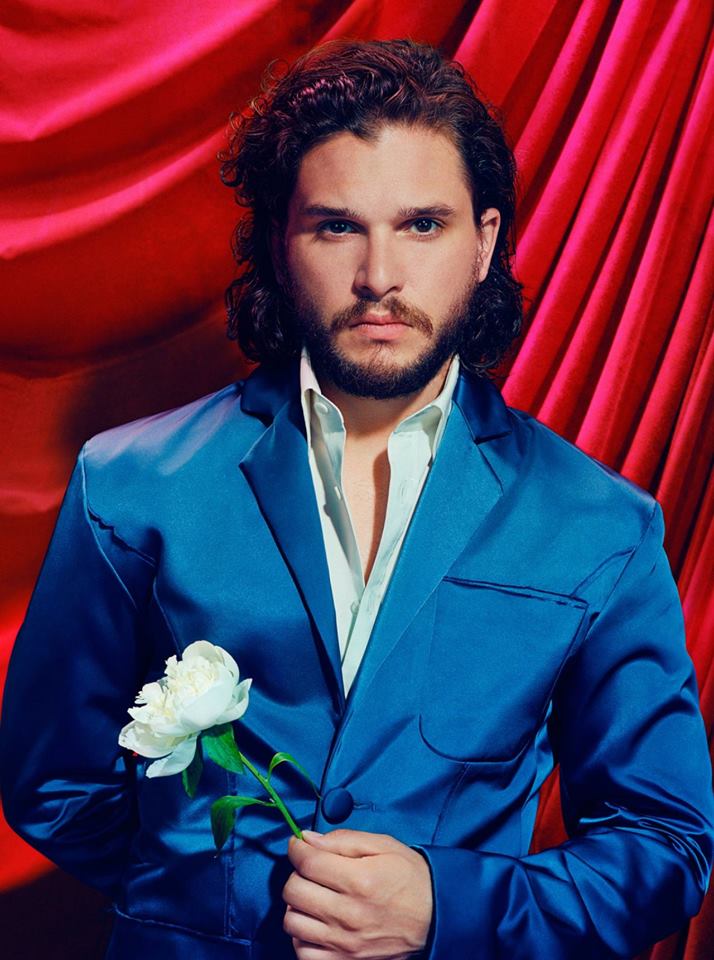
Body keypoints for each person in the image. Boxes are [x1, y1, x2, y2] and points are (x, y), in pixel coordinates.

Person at [1, 37, 712, 960]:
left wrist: (445, 909)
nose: (380, 277)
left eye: (423, 225)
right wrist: (210, 898)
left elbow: (664, 846)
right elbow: (54, 783)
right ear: (279, 242)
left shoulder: (601, 525)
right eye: (338, 226)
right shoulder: (131, 483)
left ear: (483, 243)